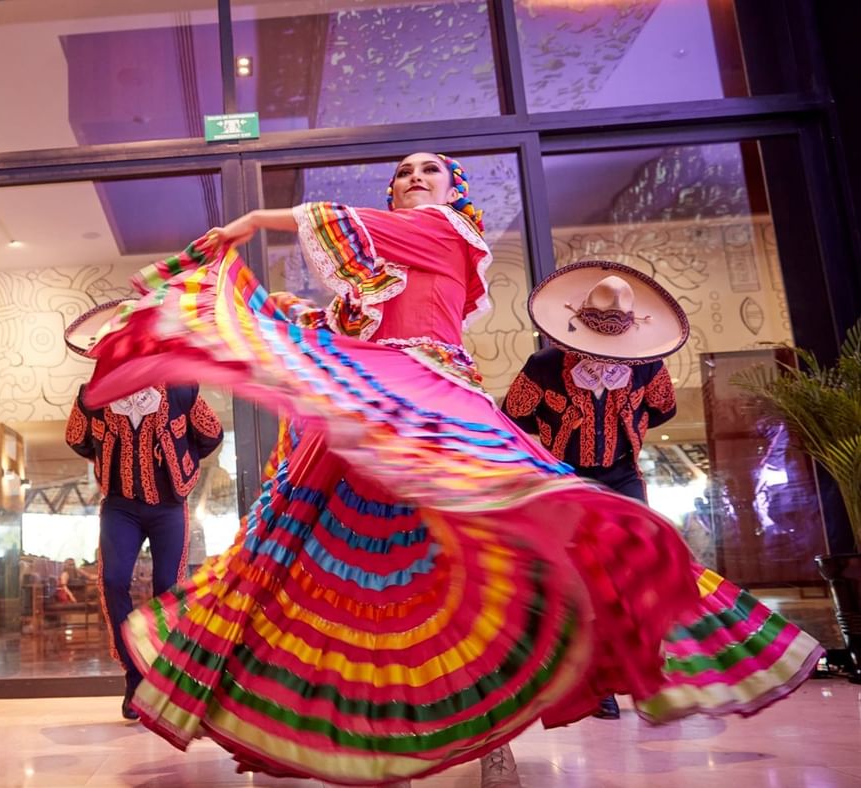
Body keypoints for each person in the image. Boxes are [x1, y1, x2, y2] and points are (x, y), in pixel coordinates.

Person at [71, 153, 821, 786]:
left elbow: (366, 245)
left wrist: (252, 223)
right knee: (326, 567)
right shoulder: (379, 272)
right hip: (372, 407)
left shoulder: (449, 232)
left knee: (481, 540)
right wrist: (287, 317)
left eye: (432, 170)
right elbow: (357, 319)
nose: (416, 177)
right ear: (391, 194)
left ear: (453, 192)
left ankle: (484, 728)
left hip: (431, 404)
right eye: (403, 174)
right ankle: (353, 723)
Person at [503, 262, 821, 725]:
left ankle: (645, 673)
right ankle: (597, 685)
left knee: (642, 572)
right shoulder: (545, 366)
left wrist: (624, 419)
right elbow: (516, 415)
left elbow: (664, 410)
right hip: (565, 481)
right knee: (584, 583)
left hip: (623, 477)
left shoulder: (647, 363)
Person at [64, 380, 223, 720]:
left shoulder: (185, 390)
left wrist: (181, 462)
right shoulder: (91, 394)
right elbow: (76, 439)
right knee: (113, 580)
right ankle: (134, 678)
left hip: (169, 507)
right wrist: (110, 458)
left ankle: (164, 679)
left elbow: (212, 433)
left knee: (168, 588)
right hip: (120, 506)